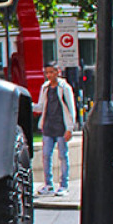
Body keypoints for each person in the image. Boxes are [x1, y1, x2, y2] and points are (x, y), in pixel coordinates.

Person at [34, 62, 75, 196]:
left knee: (63, 156)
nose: (49, 75)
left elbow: (71, 108)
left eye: (51, 72)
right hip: (48, 126)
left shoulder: (64, 87)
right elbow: (40, 107)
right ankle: (48, 184)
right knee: (46, 156)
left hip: (61, 127)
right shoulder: (45, 88)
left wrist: (70, 128)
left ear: (58, 72)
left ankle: (64, 185)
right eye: (47, 73)